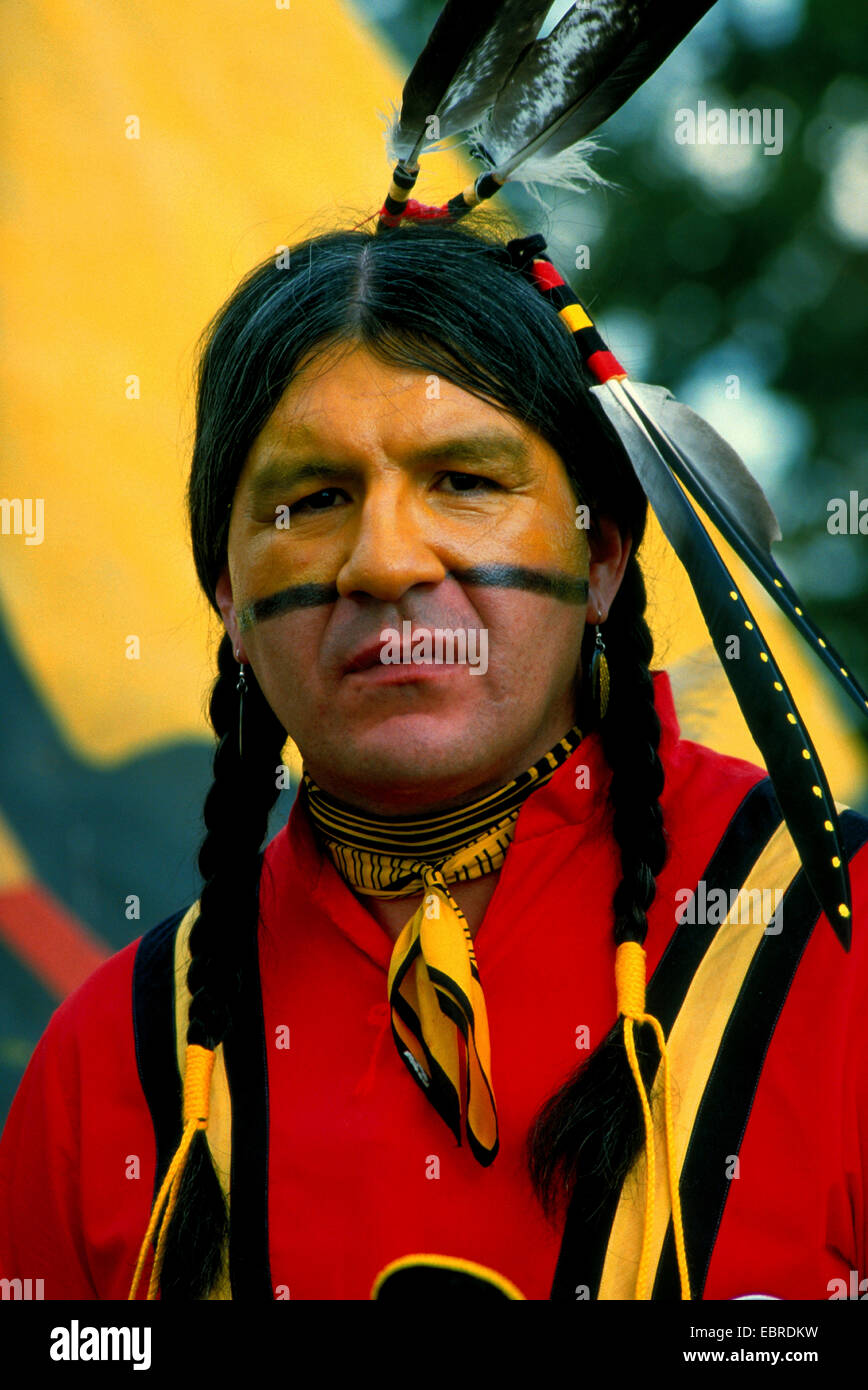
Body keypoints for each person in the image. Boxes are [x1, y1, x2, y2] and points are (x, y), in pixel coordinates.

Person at [0, 219, 866, 1302]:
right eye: (311, 499)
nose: (384, 560)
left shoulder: (839, 931)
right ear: (227, 592)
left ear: (601, 554)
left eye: (462, 478)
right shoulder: (114, 1062)